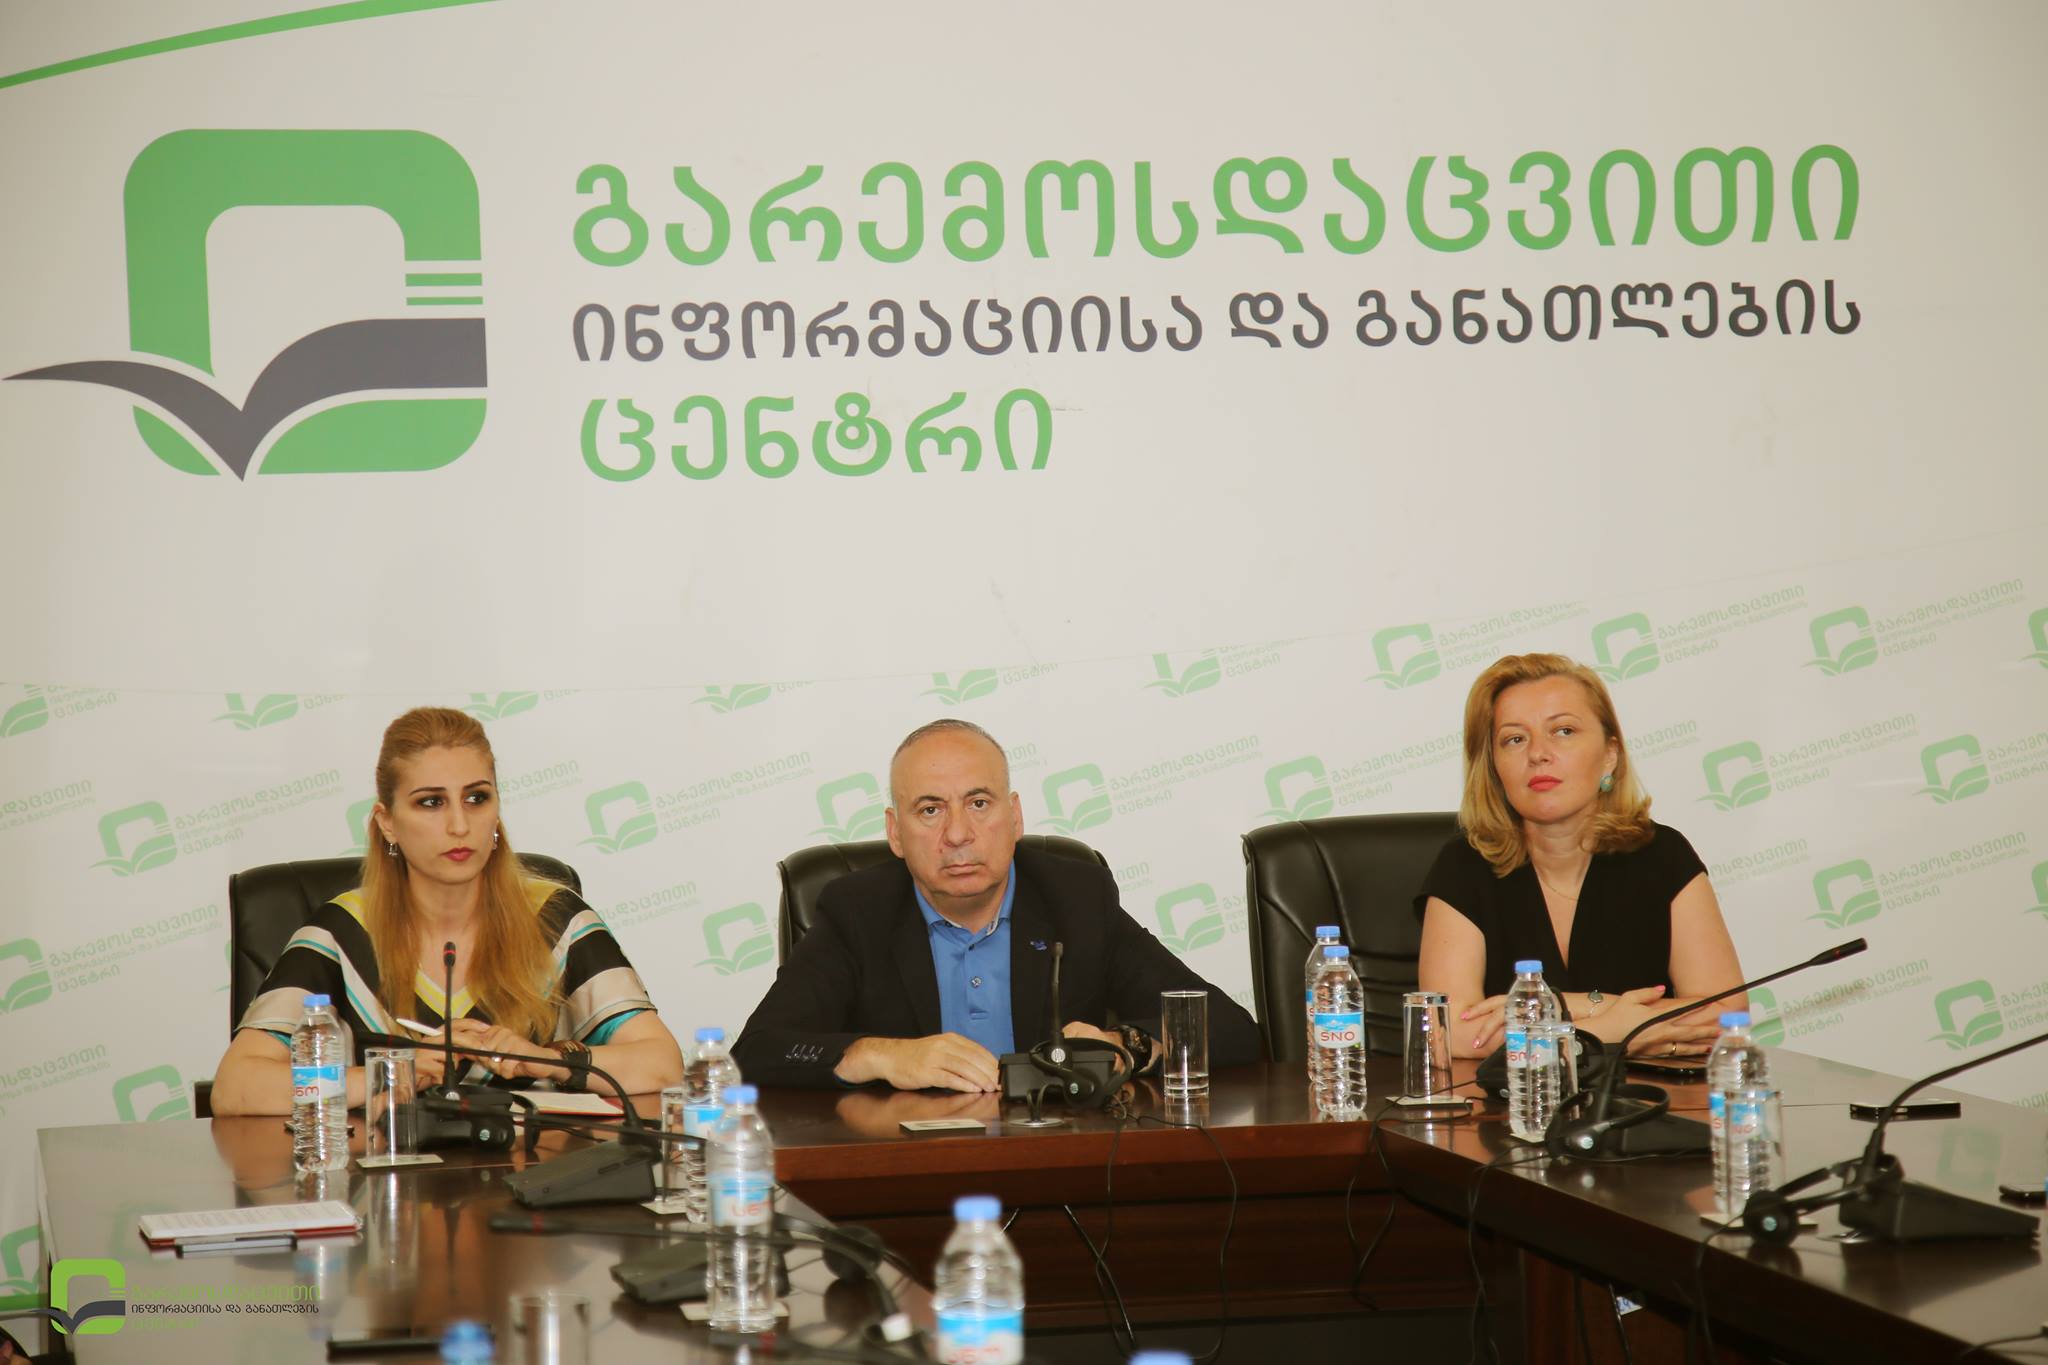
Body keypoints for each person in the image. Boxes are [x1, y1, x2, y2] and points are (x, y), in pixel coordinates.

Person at [734, 719, 1261, 1089]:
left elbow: (1229, 1028)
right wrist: (880, 1054)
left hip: (1058, 1166)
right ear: (895, 832)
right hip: (907, 1170)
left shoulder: (1076, 897)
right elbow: (756, 1052)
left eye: (979, 803)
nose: (957, 834)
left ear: (1015, 818)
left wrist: (1124, 1045)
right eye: (930, 810)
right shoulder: (857, 910)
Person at [211, 707, 682, 1115]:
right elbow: (235, 1087)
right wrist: (391, 1073)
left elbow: (662, 1063)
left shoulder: (556, 919)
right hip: (385, 1181)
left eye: (477, 798)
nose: (459, 824)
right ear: (387, 823)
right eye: (431, 803)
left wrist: (549, 1062)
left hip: (531, 1180)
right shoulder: (340, 934)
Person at [1415, 653, 1744, 1060]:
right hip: (1516, 1099)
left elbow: (1724, 1015)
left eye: (1564, 731)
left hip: (1643, 1098)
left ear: (1609, 755)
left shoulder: (1663, 856)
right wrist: (1612, 1029)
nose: (1538, 753)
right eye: (1515, 739)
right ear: (1494, 767)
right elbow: (1447, 1034)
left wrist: (1555, 1010)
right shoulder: (1464, 865)